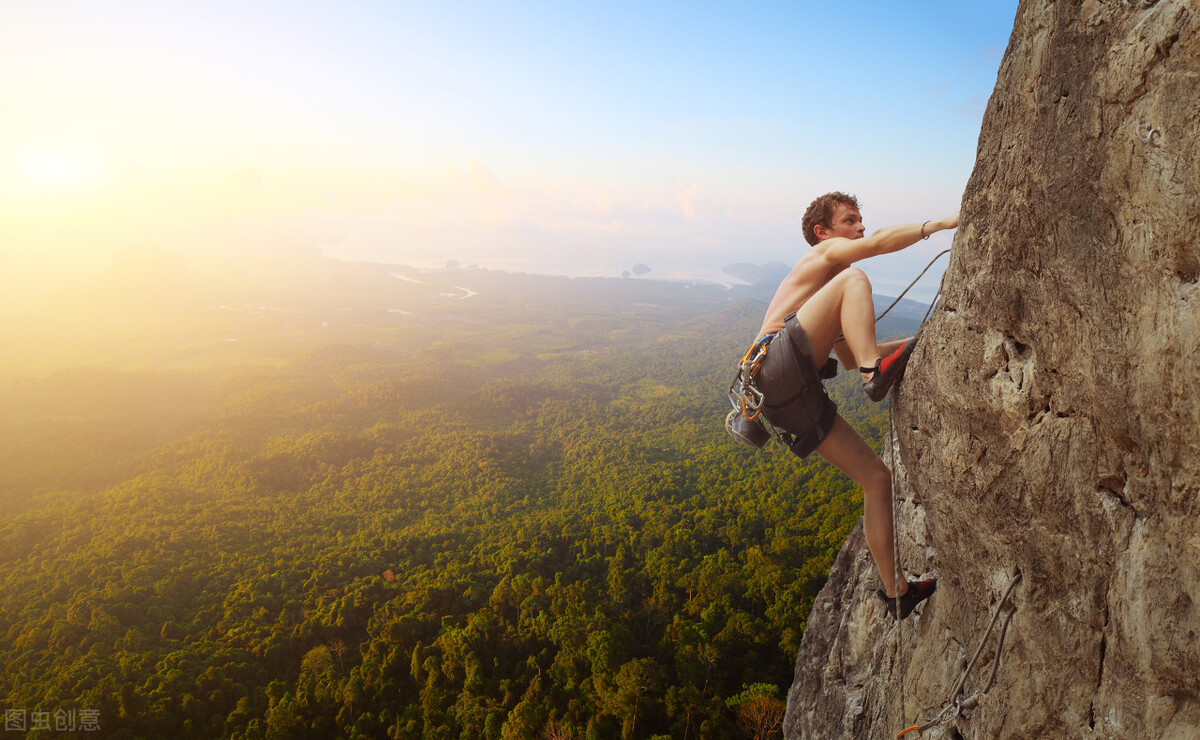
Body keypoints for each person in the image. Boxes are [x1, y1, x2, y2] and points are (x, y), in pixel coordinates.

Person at [751, 191, 958, 619]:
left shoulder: (829, 297)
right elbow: (878, 244)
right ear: (822, 232)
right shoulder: (822, 257)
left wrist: (923, 338)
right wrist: (938, 225)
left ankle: (897, 592)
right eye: (850, 220)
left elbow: (850, 358)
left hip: (785, 396)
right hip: (774, 366)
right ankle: (875, 374)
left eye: (861, 220)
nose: (861, 227)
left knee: (877, 479)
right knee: (856, 278)